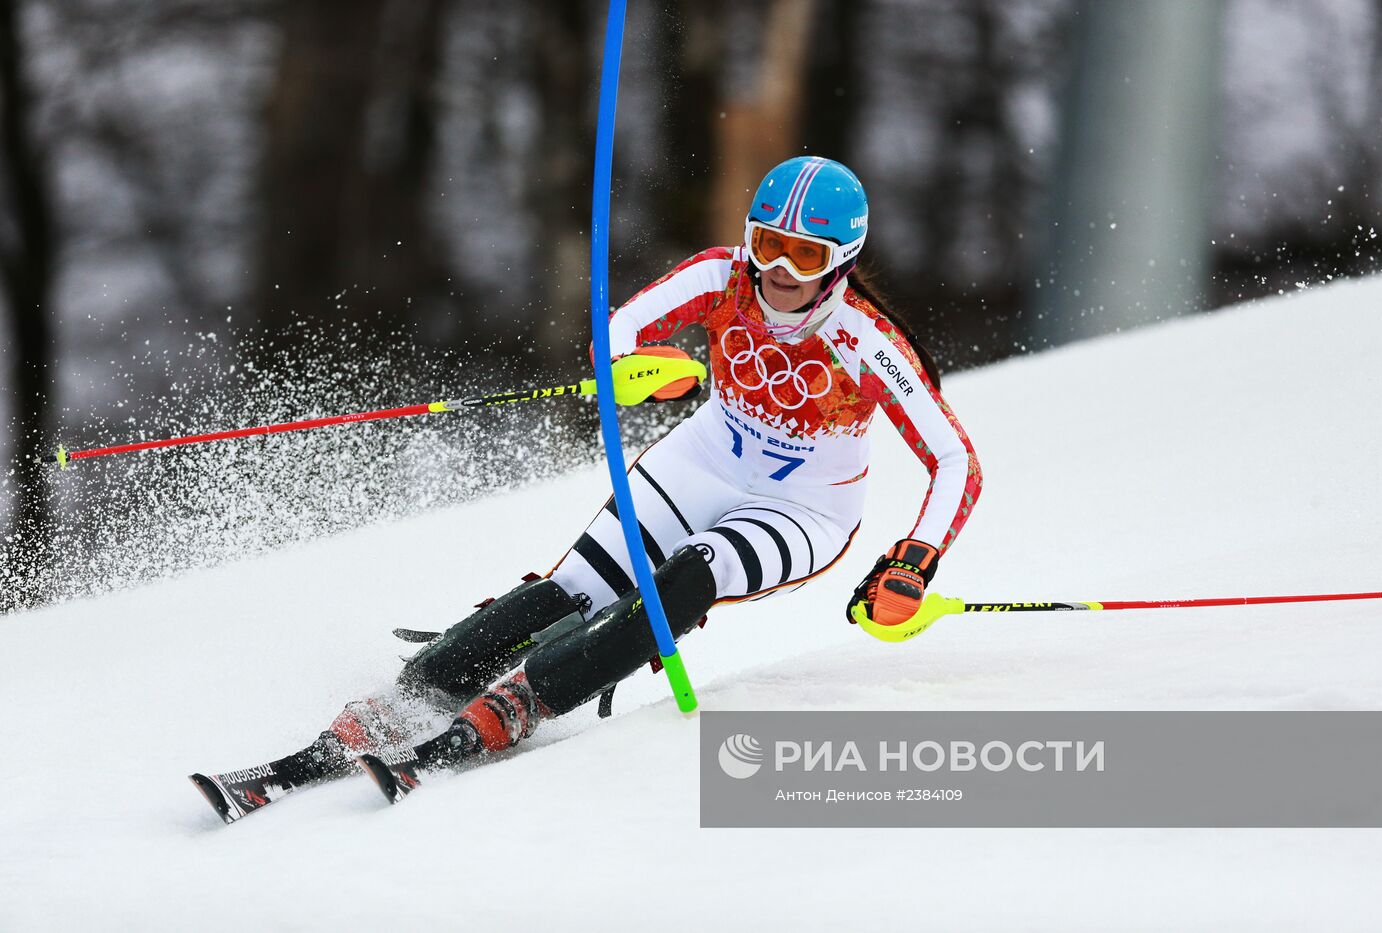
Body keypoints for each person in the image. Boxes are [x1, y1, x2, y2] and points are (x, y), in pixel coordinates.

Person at [191, 157, 983, 818]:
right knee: (575, 585)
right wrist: (650, 373)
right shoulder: (722, 276)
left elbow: (955, 461)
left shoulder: (864, 338)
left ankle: (521, 703)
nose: (778, 273)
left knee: (692, 573)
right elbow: (620, 333)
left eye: (803, 257)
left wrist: (912, 560)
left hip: (804, 504)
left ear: (841, 261)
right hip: (706, 459)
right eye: (768, 246)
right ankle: (409, 698)